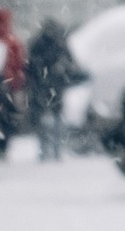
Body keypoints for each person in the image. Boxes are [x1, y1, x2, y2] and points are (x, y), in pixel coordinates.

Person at [23, 13, 82, 158]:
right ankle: (56, 149)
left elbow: (29, 64)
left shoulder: (37, 42)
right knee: (56, 117)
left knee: (43, 118)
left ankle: (45, 149)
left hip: (41, 85)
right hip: (56, 85)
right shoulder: (60, 42)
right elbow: (71, 62)